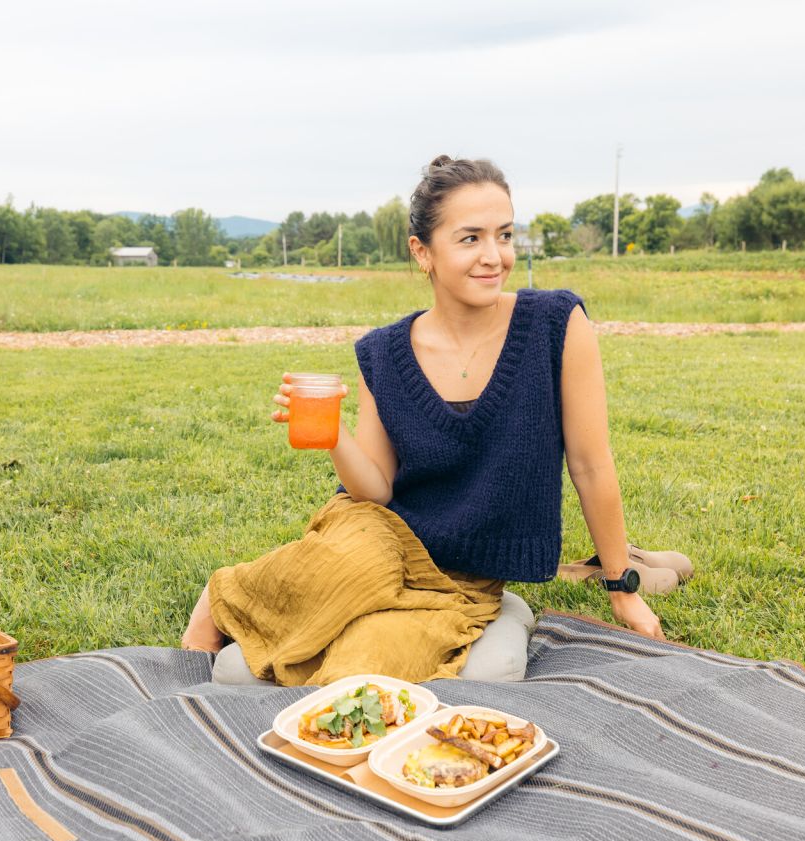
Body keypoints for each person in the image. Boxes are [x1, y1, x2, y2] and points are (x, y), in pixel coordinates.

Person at [182, 155, 663, 687]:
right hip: (378, 537)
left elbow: (592, 467)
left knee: (366, 667)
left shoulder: (556, 325)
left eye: (504, 235)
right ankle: (221, 599)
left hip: (461, 578)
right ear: (422, 252)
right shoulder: (385, 353)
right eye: (470, 238)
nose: (493, 256)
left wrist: (624, 589)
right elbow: (376, 491)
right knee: (351, 566)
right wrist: (336, 435)